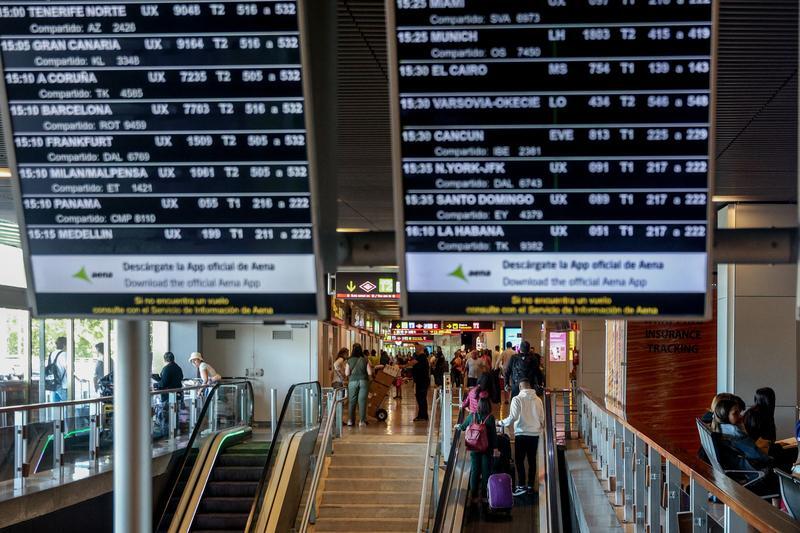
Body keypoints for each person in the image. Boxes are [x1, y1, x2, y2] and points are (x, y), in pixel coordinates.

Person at [498, 379, 545, 496]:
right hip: (534, 434)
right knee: (532, 460)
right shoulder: (538, 400)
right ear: (530, 386)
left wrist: (500, 423)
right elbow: (542, 418)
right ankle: (530, 486)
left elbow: (513, 417)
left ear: (520, 387)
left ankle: (521, 485)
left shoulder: (517, 399)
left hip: (521, 434)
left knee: (519, 460)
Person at [711, 397, 771, 469]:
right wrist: (770, 459)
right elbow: (756, 454)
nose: (740, 416)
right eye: (735, 413)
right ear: (725, 415)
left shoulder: (718, 426)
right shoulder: (734, 432)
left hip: (734, 467)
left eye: (739, 412)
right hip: (749, 469)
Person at [457, 394, 496, 502]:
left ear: (478, 405)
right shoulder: (490, 418)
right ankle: (483, 495)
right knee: (485, 471)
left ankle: (473, 495)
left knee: (475, 471)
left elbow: (463, 427)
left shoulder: (472, 416)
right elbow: (493, 435)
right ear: (488, 406)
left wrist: (458, 426)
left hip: (474, 447)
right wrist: (495, 448)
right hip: (486, 449)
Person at [346, 344, 372, 426]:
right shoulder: (365, 359)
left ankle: (351, 420)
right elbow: (370, 372)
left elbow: (347, 373)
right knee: (362, 401)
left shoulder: (349, 360)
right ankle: (362, 421)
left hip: (352, 382)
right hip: (364, 381)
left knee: (352, 401)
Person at [411, 344, 431, 422]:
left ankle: (423, 416)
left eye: (416, 348)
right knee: (420, 398)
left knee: (421, 398)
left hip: (422, 382)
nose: (415, 349)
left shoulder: (421, 357)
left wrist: (402, 366)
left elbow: (413, 363)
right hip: (421, 381)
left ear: (420, 349)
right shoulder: (421, 357)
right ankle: (422, 415)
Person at [45, 336, 68, 401]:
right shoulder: (64, 354)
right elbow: (68, 368)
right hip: (63, 385)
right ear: (64, 345)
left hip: (53, 384)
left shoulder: (51, 354)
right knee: (68, 405)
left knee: (54, 405)